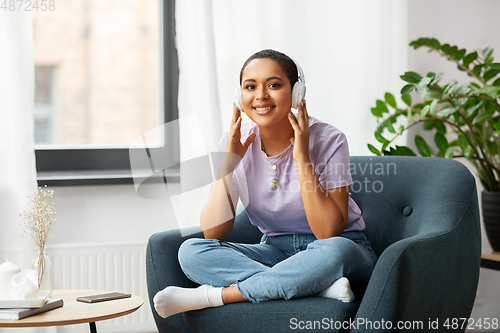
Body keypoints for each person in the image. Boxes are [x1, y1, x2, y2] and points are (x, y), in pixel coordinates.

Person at [153, 49, 377, 318]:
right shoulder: (234, 141)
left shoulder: (330, 140)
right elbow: (214, 233)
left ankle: (215, 297)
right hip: (275, 251)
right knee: (192, 250)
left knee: (335, 250)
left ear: (296, 93)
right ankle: (311, 286)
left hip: (339, 249)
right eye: (250, 87)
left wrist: (302, 158)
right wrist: (228, 166)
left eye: (273, 85)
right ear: (240, 96)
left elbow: (328, 232)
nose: (260, 96)